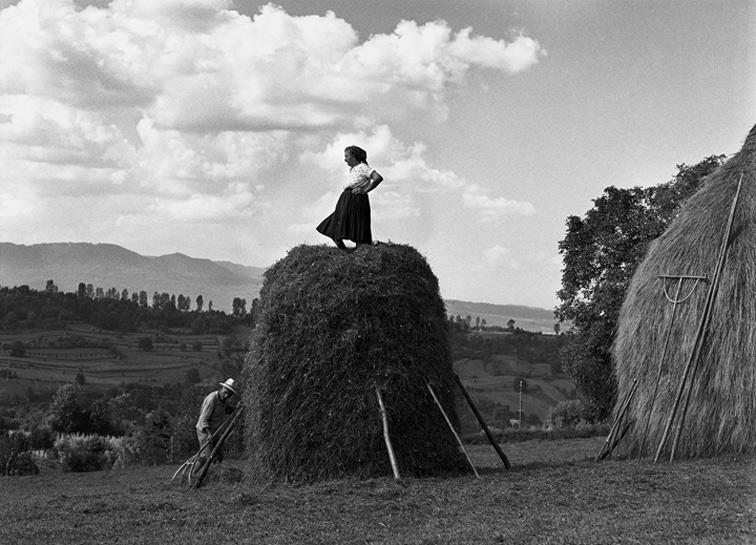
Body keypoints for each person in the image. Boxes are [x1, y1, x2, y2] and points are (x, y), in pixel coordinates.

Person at [316, 145, 383, 249]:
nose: (345, 159)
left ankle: (359, 253)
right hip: (346, 198)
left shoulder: (363, 167)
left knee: (358, 226)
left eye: (347, 156)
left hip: (356, 199)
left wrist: (365, 190)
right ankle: (344, 251)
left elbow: (378, 178)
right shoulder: (353, 169)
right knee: (334, 224)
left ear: (355, 156)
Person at [195, 378, 237, 467]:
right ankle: (193, 476)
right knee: (206, 457)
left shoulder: (223, 401)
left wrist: (237, 407)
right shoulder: (212, 400)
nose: (226, 396)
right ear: (221, 388)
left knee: (219, 456)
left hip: (215, 431)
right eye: (225, 392)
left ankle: (214, 474)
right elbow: (203, 419)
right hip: (205, 431)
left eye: (229, 395)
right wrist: (209, 434)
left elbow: (227, 411)